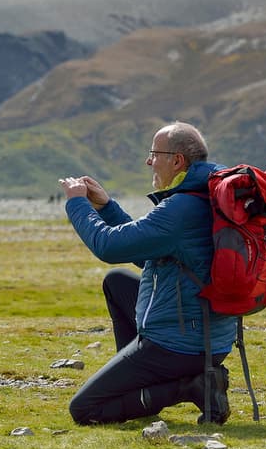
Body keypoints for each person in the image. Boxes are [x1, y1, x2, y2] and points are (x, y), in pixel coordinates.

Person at [58, 121, 235, 425]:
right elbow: (145, 253)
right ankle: (139, 387)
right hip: (209, 335)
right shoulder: (204, 197)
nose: (148, 161)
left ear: (177, 160)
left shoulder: (180, 208)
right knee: (117, 283)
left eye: (154, 153)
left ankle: (192, 387)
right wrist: (106, 207)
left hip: (181, 345)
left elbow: (109, 247)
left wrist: (77, 203)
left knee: (85, 410)